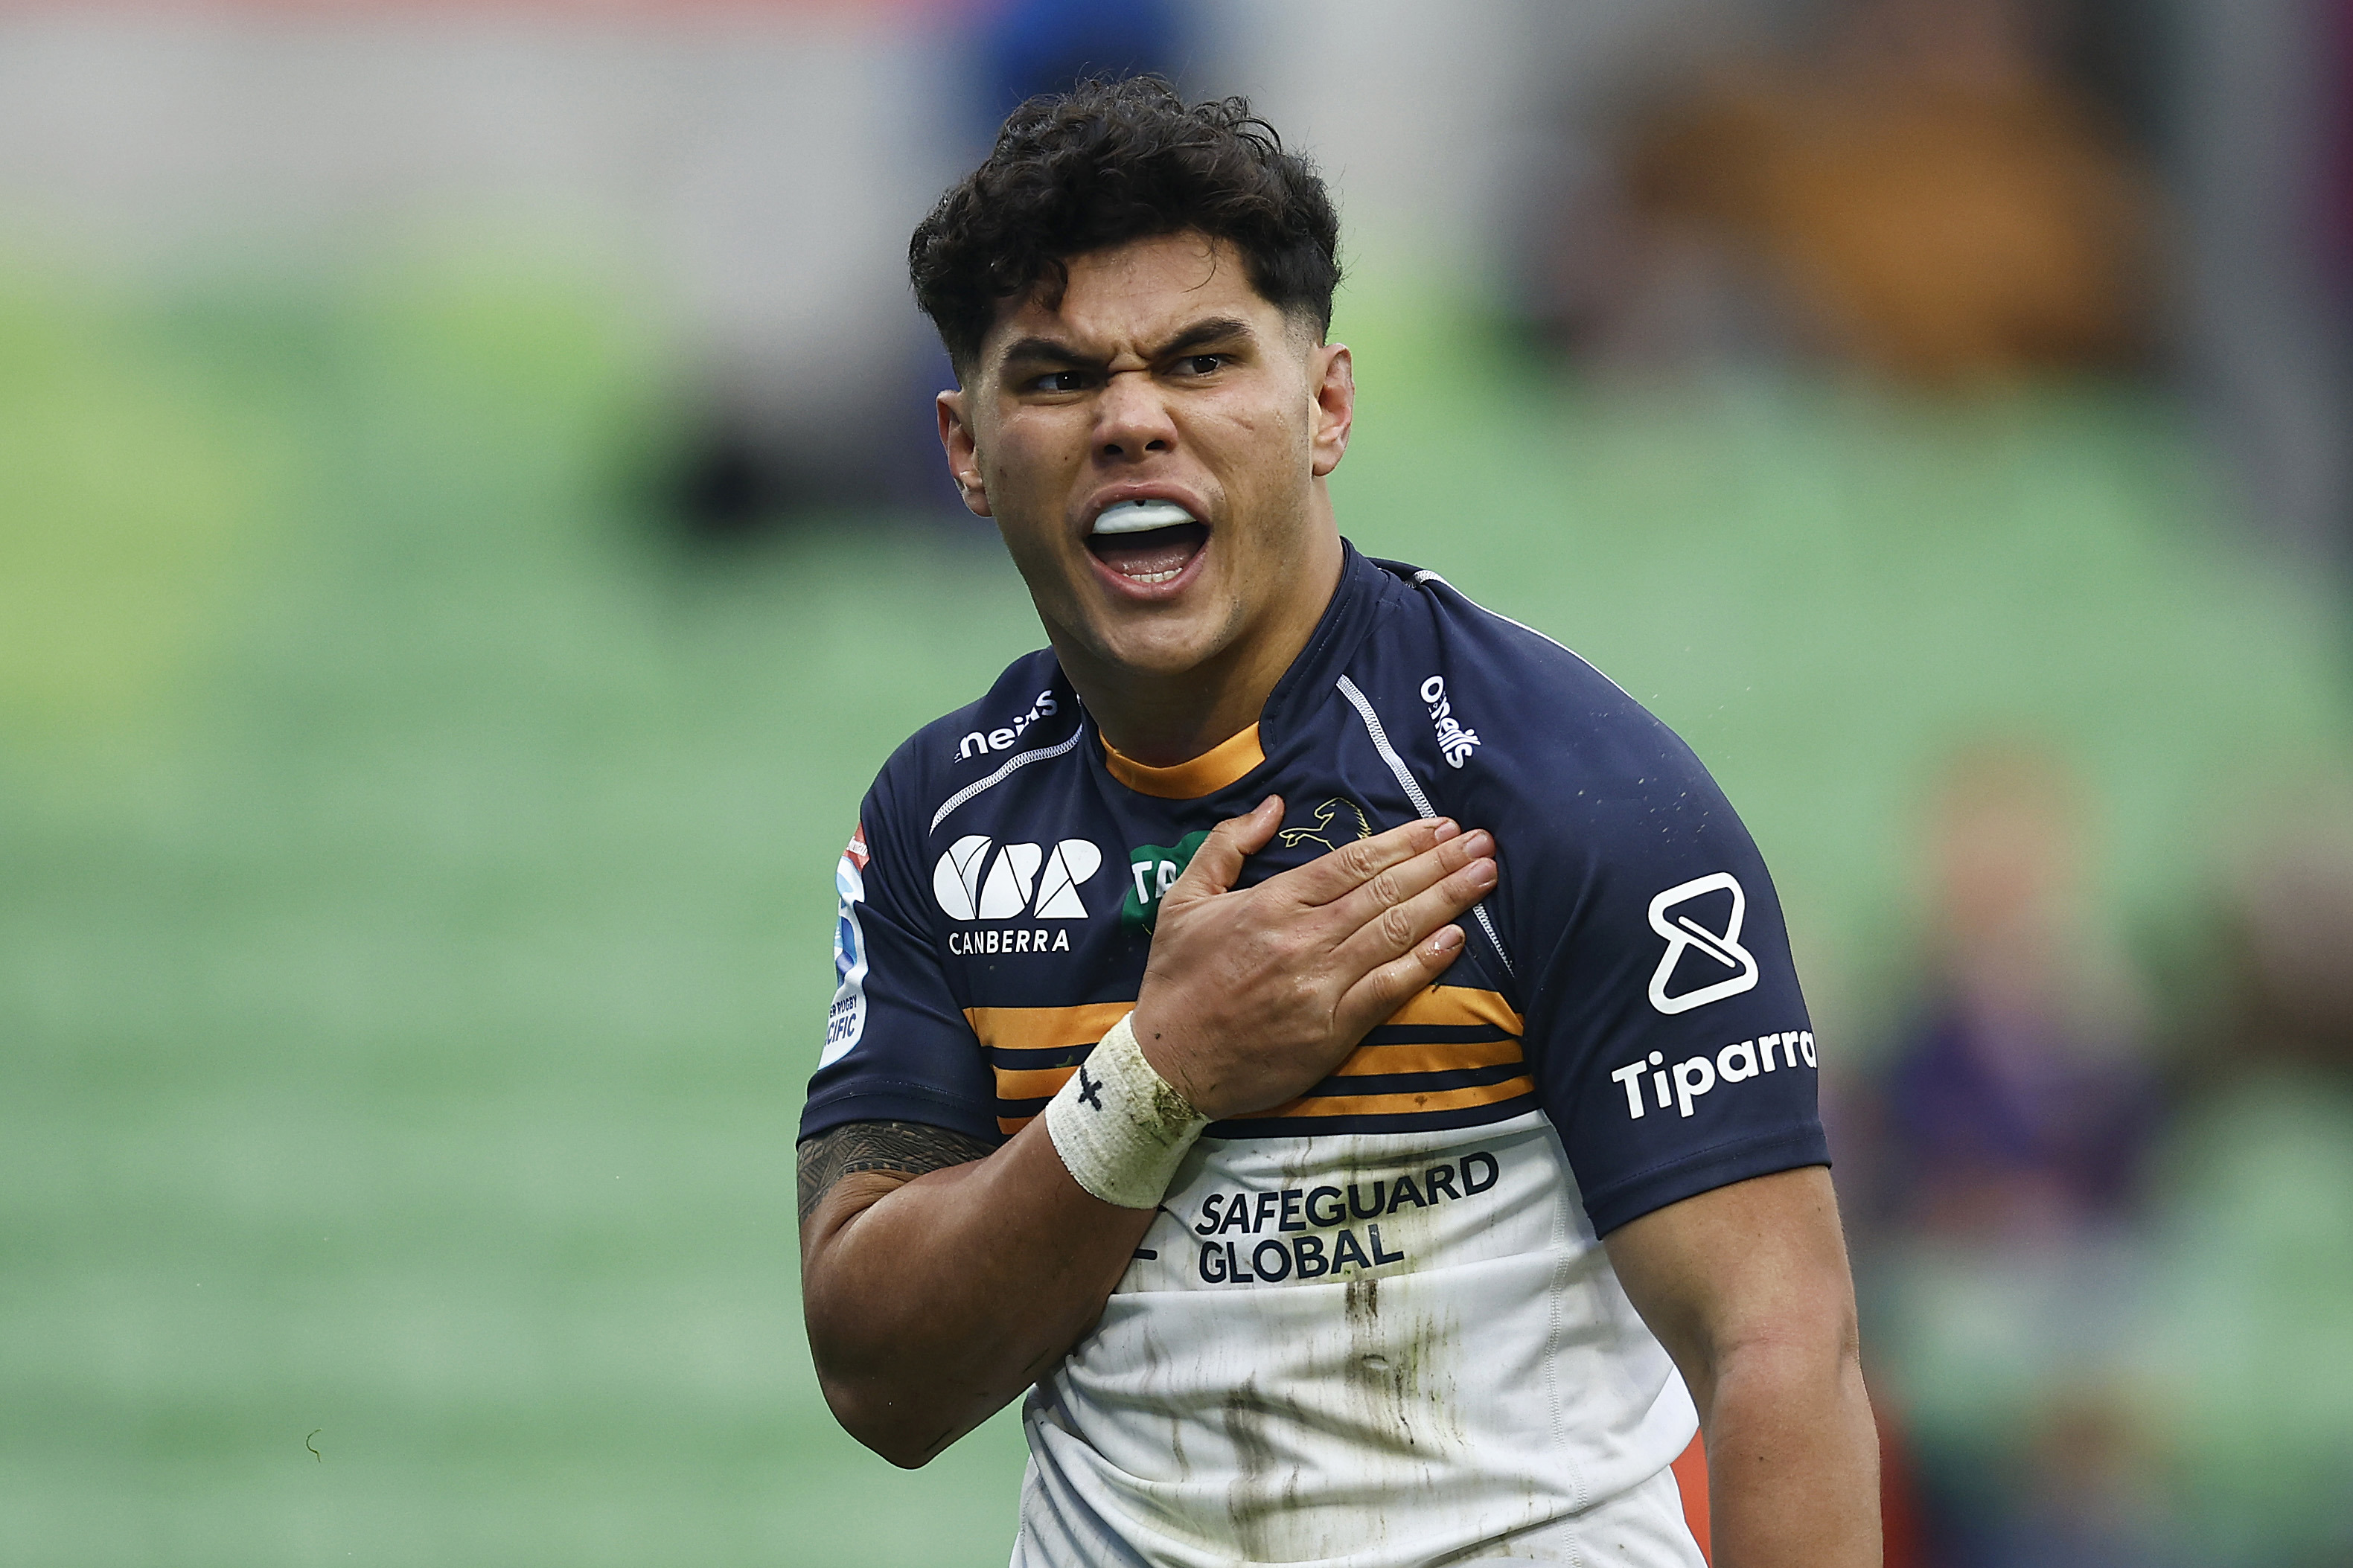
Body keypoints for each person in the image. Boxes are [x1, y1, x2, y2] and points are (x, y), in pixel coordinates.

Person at [796, 77, 1879, 1567]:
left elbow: (1781, 1347)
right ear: (966, 448)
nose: (1130, 418)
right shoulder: (938, 818)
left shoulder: (1566, 785)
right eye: (1054, 378)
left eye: (1199, 359)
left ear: (1327, 406)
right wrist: (1158, 1076)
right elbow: (879, 1374)